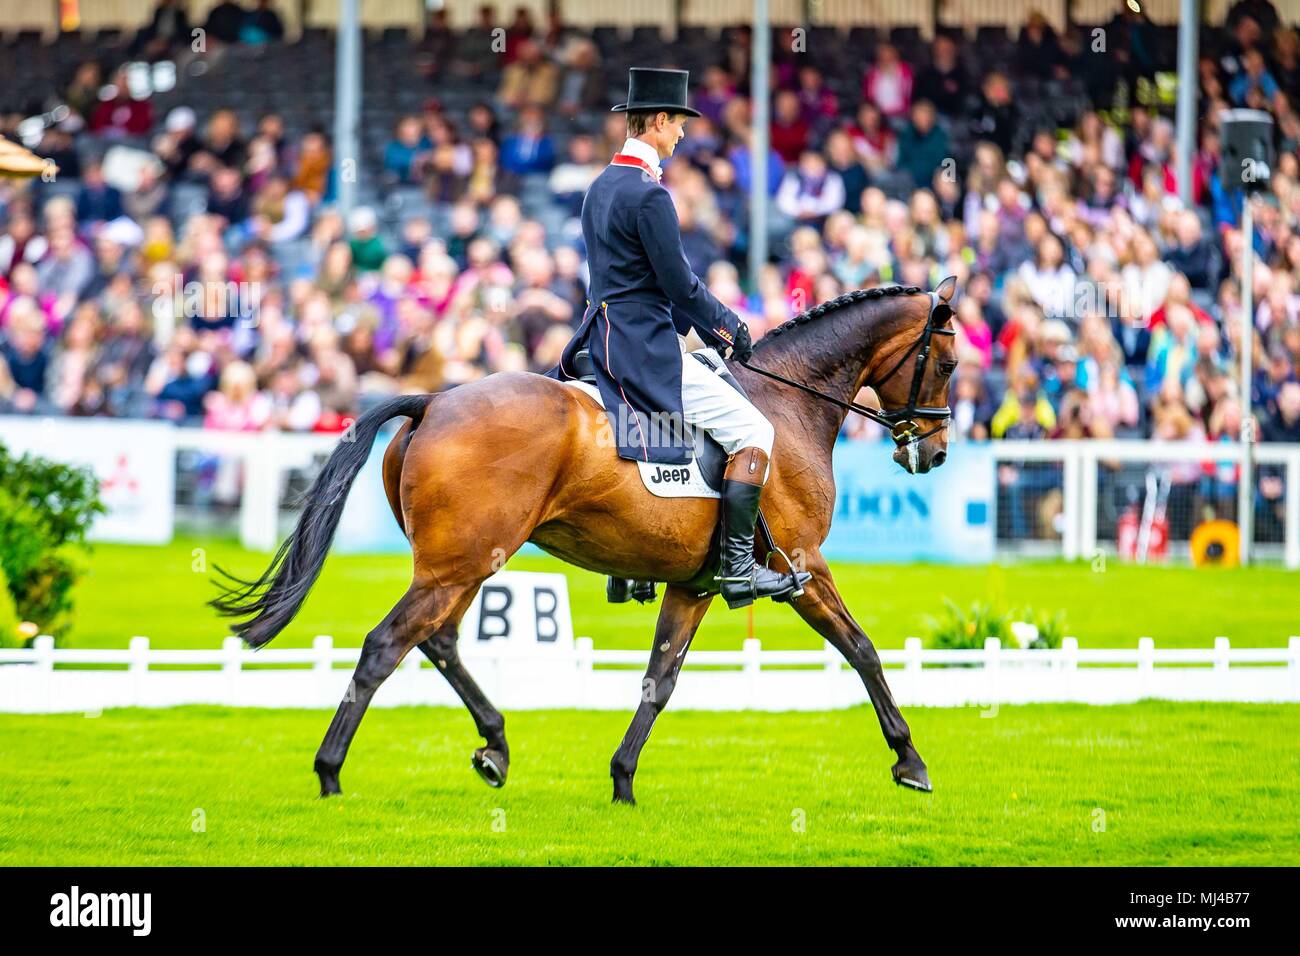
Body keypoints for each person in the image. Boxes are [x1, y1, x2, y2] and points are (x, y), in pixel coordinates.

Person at [548, 68, 809, 608]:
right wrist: (729, 326)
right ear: (660, 121)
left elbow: (633, 283)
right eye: (679, 125)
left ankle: (632, 563)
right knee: (754, 429)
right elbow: (681, 287)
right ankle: (738, 567)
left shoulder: (598, 187)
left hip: (603, 344)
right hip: (647, 350)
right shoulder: (650, 196)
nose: (684, 135)